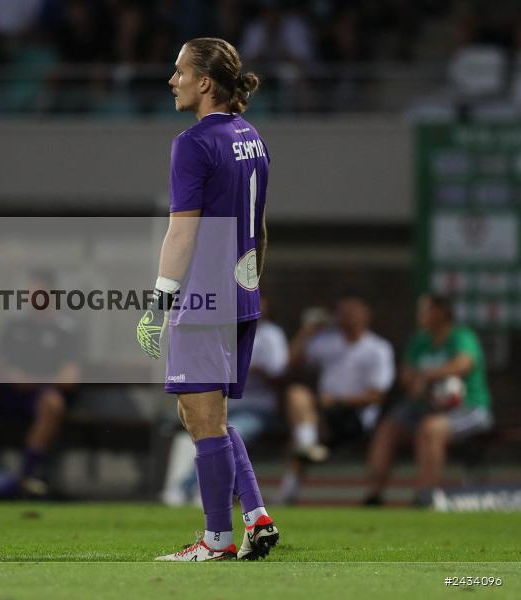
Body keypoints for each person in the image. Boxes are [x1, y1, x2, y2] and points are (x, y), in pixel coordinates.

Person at [139, 37, 278, 561]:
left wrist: (157, 306)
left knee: (201, 418)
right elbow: (260, 229)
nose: (172, 80)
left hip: (203, 298)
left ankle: (217, 540)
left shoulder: (192, 143)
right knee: (207, 417)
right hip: (242, 294)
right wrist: (249, 286)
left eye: (179, 71)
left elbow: (181, 235)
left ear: (204, 82)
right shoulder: (252, 137)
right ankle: (257, 516)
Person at [160, 292, 288, 507]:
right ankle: (206, 491)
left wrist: (248, 367)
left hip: (255, 408)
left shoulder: (270, 335)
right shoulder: (223, 330)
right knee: (193, 423)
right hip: (222, 404)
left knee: (226, 437)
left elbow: (279, 373)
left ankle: (187, 487)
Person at [365, 295, 493, 506]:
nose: (421, 315)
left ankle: (425, 496)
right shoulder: (419, 340)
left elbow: (462, 364)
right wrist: (418, 387)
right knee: (388, 428)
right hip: (425, 405)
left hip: (468, 407)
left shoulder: (461, 336)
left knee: (430, 429)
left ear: (441, 312)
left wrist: (425, 377)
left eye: (426, 310)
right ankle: (374, 494)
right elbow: (406, 376)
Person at [279, 297, 395, 505]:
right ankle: (307, 446)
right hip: (325, 414)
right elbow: (288, 363)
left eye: (352, 311)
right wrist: (307, 331)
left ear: (365, 314)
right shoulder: (328, 342)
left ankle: (290, 487)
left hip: (356, 418)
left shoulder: (378, 348)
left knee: (303, 429)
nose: (347, 317)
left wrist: (337, 400)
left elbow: (377, 395)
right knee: (297, 395)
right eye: (342, 312)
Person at [0, 269, 81, 498]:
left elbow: (70, 379)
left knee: (52, 403)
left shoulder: (67, 330)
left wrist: (31, 381)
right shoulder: (13, 326)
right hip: (8, 394)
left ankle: (25, 475)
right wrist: (9, 374)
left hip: (40, 398)